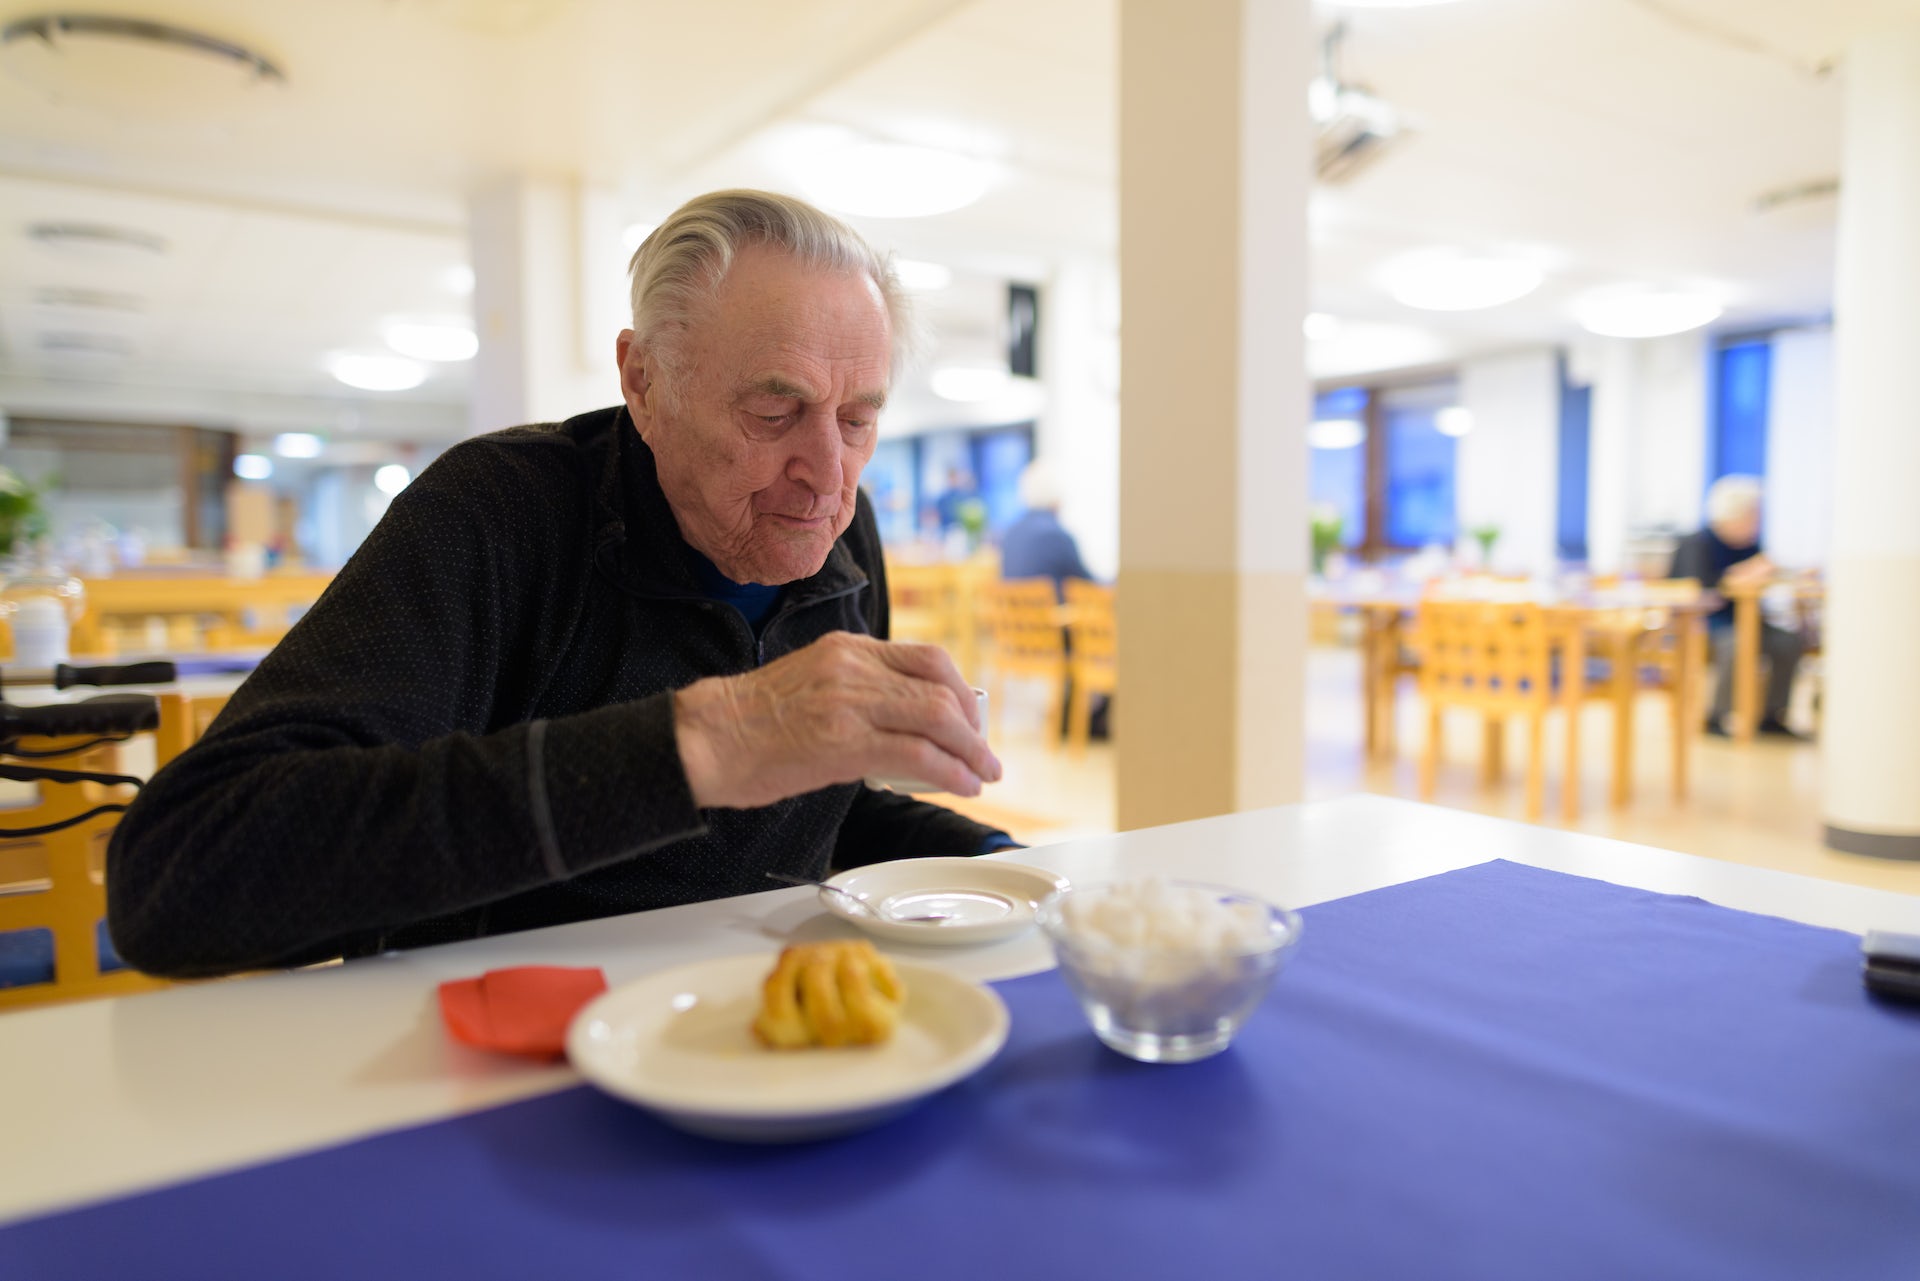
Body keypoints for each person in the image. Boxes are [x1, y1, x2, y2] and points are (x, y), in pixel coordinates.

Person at [106, 190, 1011, 979]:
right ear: (644, 381)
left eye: (859, 420)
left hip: (746, 1045)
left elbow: (811, 817)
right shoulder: (499, 513)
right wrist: (711, 738)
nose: (827, 474)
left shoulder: (843, 531)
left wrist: (1006, 867)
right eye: (774, 411)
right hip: (493, 1068)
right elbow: (180, 875)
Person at [1669, 474, 1806, 740]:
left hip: (1749, 617)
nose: (1757, 521)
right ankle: (1716, 716)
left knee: (1789, 642)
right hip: (1707, 622)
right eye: (1753, 515)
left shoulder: (1750, 546)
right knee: (1738, 643)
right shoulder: (1696, 542)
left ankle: (1772, 715)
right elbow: (1698, 587)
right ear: (1733, 515)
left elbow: (1763, 575)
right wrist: (1739, 575)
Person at [1000, 461, 1108, 739]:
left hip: (1014, 634)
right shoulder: (1057, 535)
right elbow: (1089, 584)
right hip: (1050, 632)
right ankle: (1092, 720)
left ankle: (1072, 715)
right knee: (1100, 632)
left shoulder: (1009, 534)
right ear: (1057, 500)